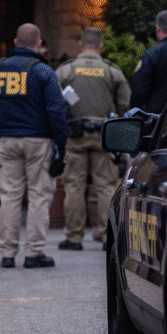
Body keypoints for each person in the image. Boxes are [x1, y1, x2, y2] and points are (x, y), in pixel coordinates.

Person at [0, 23, 68, 269]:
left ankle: (7, 253)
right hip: (39, 142)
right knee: (39, 196)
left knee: (9, 195)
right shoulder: (43, 72)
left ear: (16, 43)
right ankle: (34, 253)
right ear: (38, 44)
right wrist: (61, 145)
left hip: (6, 140)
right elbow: (56, 112)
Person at [54, 27, 130, 250]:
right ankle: (108, 236)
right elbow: (125, 101)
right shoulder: (111, 71)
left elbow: (54, 97)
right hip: (103, 135)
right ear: (100, 47)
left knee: (74, 186)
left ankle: (74, 238)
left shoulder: (66, 70)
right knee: (105, 185)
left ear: (80, 45)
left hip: (75, 135)